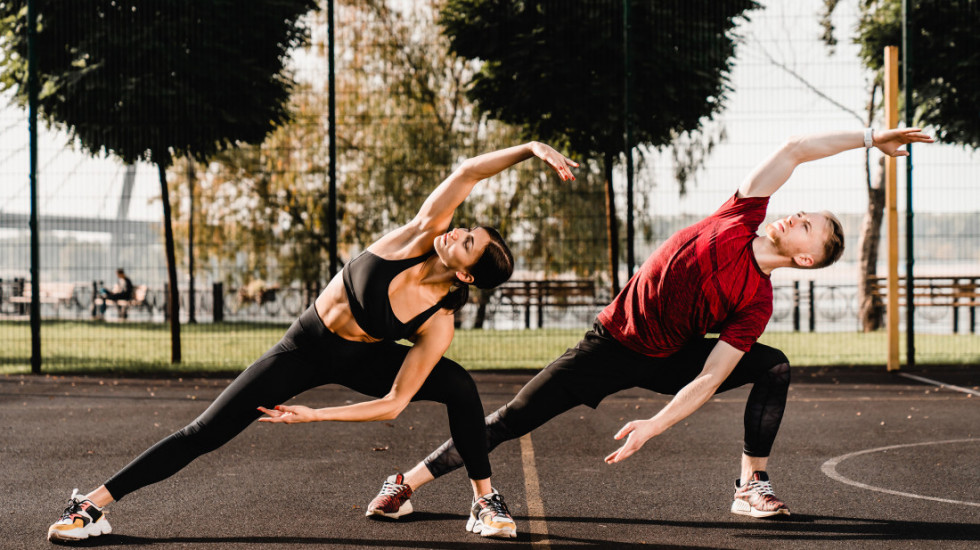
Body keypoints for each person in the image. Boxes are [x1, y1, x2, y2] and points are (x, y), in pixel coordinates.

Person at [365, 128, 934, 522]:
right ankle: (405, 483)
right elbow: (797, 148)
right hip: (609, 343)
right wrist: (868, 140)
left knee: (773, 366)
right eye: (802, 211)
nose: (796, 215)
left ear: (807, 258)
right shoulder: (742, 213)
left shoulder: (755, 302)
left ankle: (750, 485)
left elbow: (708, 379)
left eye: (806, 225)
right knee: (513, 418)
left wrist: (654, 425)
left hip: (669, 358)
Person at [46, 141, 579, 542]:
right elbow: (467, 172)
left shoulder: (439, 320)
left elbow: (394, 403)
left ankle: (484, 503)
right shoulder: (421, 233)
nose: (457, 233)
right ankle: (91, 504)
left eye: (467, 243)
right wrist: (531, 149)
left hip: (359, 358)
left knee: (459, 385)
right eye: (466, 230)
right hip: (304, 347)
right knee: (205, 431)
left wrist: (316, 415)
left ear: (466, 276)